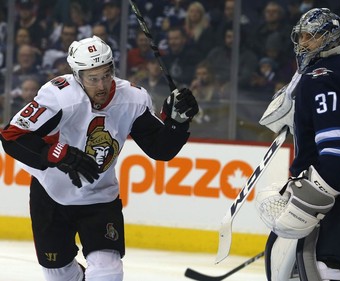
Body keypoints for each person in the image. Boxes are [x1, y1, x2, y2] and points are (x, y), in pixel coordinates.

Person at [0, 35, 198, 281]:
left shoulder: (133, 99)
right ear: (77, 76)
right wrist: (55, 154)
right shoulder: (60, 96)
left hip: (100, 196)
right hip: (51, 194)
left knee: (107, 273)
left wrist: (178, 124)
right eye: (93, 78)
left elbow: (160, 149)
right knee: (59, 274)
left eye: (106, 75)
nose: (102, 85)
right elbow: (11, 136)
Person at [255, 8, 340, 281]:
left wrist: (312, 196)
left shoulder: (323, 77)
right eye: (302, 37)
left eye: (312, 37)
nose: (304, 43)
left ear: (330, 39)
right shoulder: (337, 71)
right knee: (306, 268)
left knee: (327, 269)